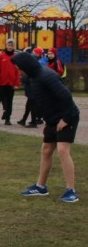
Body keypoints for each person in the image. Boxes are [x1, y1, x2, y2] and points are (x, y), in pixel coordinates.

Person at [11, 51, 80, 203]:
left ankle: (71, 190)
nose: (18, 70)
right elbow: (45, 101)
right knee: (47, 149)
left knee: (62, 150)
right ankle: (40, 187)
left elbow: (66, 97)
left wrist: (66, 119)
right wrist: (49, 122)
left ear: (26, 66)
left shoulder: (46, 76)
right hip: (53, 120)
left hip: (67, 117)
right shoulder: (33, 77)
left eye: (19, 67)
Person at [0, 38, 20, 125]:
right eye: (9, 45)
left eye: (12, 45)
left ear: (14, 47)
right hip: (2, 83)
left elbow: (17, 71)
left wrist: (16, 83)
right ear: (6, 46)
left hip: (11, 84)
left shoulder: (16, 57)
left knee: (9, 102)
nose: (10, 47)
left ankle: (7, 118)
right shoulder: (1, 56)